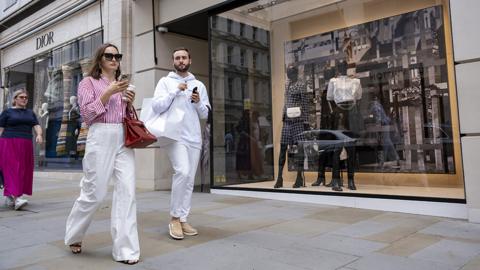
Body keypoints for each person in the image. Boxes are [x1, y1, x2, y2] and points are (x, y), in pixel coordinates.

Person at [63, 43, 140, 265]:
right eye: (109, 55)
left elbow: (124, 113)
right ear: (100, 59)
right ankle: (74, 234)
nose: (114, 59)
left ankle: (126, 250)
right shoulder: (88, 82)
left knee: (127, 192)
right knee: (94, 193)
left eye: (118, 55)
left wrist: (128, 100)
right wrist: (107, 93)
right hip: (100, 135)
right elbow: (86, 114)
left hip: (122, 136)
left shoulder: (122, 84)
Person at [151, 47, 210, 240]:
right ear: (173, 61)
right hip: (173, 136)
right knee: (182, 172)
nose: (181, 60)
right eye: (177, 58)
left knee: (189, 180)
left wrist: (198, 102)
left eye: (184, 57)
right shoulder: (165, 82)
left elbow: (205, 114)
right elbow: (157, 106)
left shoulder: (199, 85)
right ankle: (174, 218)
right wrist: (175, 91)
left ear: (190, 60)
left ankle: (183, 218)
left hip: (194, 136)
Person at [0, 89, 43, 210]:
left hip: (26, 143)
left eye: (26, 97)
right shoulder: (7, 112)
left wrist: (39, 135)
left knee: (24, 169)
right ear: (15, 99)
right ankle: (17, 198)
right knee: (13, 169)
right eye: (21, 97)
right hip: (8, 142)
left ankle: (10, 195)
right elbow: (0, 129)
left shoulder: (30, 113)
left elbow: (36, 125)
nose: (24, 99)